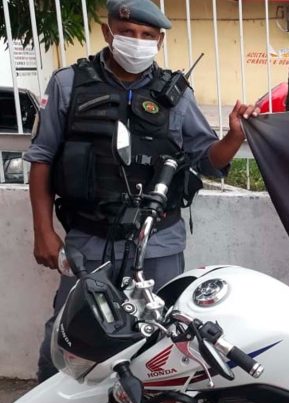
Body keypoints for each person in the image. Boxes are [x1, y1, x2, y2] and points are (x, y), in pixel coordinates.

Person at [25, 0, 259, 382]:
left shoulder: (177, 95)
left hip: (159, 241)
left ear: (159, 42)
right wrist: (43, 231)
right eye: (128, 33)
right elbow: (42, 158)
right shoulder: (69, 84)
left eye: (147, 36)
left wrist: (233, 136)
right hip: (89, 238)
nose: (137, 42)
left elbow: (206, 160)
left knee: (160, 338)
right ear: (107, 32)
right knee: (69, 335)